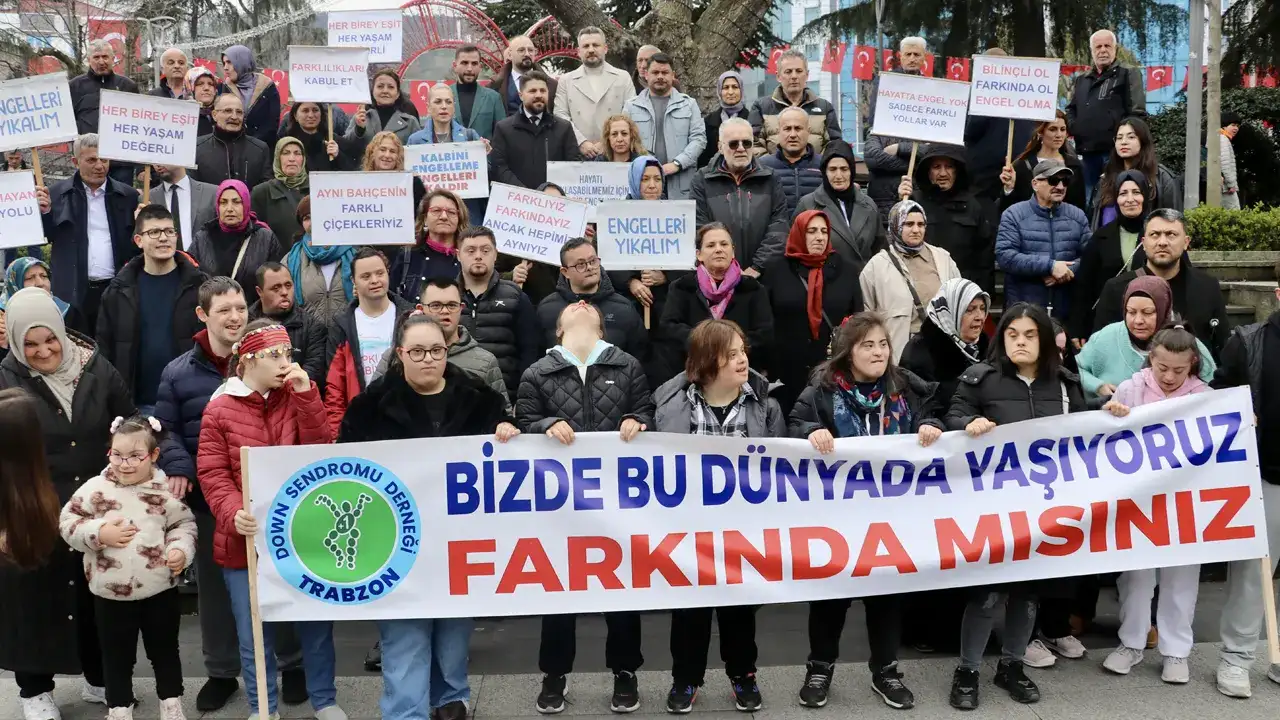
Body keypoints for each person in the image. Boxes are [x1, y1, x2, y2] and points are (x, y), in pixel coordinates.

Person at [341, 314, 518, 720]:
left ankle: (450, 703)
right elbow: (347, 469)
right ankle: (406, 713)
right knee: (405, 640)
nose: (427, 359)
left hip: (460, 544)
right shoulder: (369, 409)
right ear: (400, 354)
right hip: (395, 546)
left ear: (448, 351)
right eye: (417, 351)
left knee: (453, 637)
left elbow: (509, 467)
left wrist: (510, 433)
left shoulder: (481, 401)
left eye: (436, 350)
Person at [153, 278, 309, 712]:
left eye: (240, 307)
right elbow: (163, 429)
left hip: (277, 509)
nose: (235, 316)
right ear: (204, 315)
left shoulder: (273, 360)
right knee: (222, 598)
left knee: (284, 586)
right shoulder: (179, 371)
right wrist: (181, 468)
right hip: (213, 499)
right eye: (224, 310)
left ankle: (292, 665)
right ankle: (222, 673)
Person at [791, 312, 942, 711]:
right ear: (847, 351)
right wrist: (810, 432)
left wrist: (929, 423)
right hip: (837, 516)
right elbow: (793, 426)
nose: (878, 352)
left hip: (892, 513)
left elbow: (935, 409)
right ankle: (820, 668)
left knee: (886, 596)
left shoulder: (905, 387)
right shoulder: (822, 391)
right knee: (830, 595)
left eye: (882, 344)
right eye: (867, 345)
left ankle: (886, 672)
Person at [943, 303, 1089, 710]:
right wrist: (966, 424)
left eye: (1029, 335)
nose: (1020, 342)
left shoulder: (1063, 383)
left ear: (1044, 340)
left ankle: (1012, 665)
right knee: (986, 594)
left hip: (1042, 508)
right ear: (1001, 339)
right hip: (992, 506)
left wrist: (1111, 417)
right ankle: (968, 670)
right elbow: (951, 416)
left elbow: (1085, 431)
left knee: (1028, 593)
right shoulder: (981, 380)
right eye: (1012, 335)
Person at [197, 320, 345, 720]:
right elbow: (212, 474)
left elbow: (319, 452)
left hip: (303, 534)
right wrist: (232, 513)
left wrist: (306, 397)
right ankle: (263, 706)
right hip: (245, 539)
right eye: (274, 355)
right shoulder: (218, 409)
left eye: (288, 354)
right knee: (253, 631)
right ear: (247, 361)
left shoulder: (295, 395)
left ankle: (325, 700)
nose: (285, 363)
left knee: (315, 622)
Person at [0, 287, 135, 720]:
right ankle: (35, 689)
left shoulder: (97, 369)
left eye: (49, 339)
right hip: (29, 509)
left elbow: (127, 424)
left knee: (95, 597)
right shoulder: (5, 379)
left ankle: (100, 679)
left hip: (93, 508)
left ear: (61, 330)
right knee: (33, 600)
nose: (42, 351)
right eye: (30, 344)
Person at [516, 301, 654, 715]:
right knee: (560, 594)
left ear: (601, 326)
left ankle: (625, 672)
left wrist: (636, 419)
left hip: (616, 501)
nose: (579, 304)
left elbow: (646, 409)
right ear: (559, 329)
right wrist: (543, 426)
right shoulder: (537, 373)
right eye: (572, 306)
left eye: (588, 305)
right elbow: (523, 419)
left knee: (622, 592)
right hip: (562, 506)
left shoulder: (626, 365)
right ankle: (554, 675)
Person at [654, 319, 783, 713]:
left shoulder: (765, 406)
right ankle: (685, 678)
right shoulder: (670, 405)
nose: (743, 360)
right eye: (731, 354)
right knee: (689, 610)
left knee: (739, 609)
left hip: (743, 529)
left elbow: (781, 466)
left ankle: (743, 675)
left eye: (743, 351)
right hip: (688, 529)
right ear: (708, 361)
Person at [59, 413, 197, 720]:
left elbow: (183, 524)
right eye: (117, 455)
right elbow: (68, 521)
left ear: (154, 455)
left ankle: (171, 703)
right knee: (116, 655)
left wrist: (180, 550)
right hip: (108, 593)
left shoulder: (166, 490)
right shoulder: (94, 489)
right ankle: (119, 706)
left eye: (135, 456)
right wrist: (97, 533)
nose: (125, 464)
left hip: (159, 588)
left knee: (164, 650)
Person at [1099, 322, 1211, 684]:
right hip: (1141, 501)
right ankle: (1130, 642)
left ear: (1192, 364)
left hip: (1184, 501)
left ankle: (1176, 650)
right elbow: (1109, 434)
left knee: (1182, 576)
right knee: (1136, 575)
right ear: (1151, 359)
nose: (1169, 376)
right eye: (1162, 368)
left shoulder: (1204, 395)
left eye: (1179, 370)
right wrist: (1111, 411)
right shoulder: (1132, 387)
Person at [1213, 262, 1280, 698]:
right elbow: (1216, 397)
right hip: (1265, 478)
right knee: (1253, 576)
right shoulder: (1248, 341)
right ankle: (1236, 658)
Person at [96, 205, 206, 414]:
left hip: (189, 404)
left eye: (169, 231)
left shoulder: (200, 286)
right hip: (136, 405)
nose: (163, 238)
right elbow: (105, 352)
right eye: (154, 232)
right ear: (138, 240)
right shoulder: (118, 292)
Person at [762, 210, 862, 415]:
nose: (820, 237)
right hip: (786, 370)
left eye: (824, 231)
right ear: (799, 233)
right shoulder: (776, 270)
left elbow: (857, 319)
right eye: (812, 231)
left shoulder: (847, 271)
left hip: (833, 371)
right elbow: (765, 321)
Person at [1091, 209, 1229, 358]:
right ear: (1143, 243)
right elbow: (1101, 349)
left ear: (1186, 242)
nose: (1162, 242)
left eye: (1171, 234)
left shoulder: (1207, 286)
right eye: (1155, 235)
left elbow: (1222, 345)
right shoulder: (1116, 288)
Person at [38, 133, 139, 332]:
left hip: (116, 289)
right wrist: (45, 213)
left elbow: (136, 245)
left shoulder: (128, 196)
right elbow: (47, 237)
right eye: (92, 160)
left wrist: (144, 220)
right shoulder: (55, 194)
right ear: (75, 161)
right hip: (73, 292)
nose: (100, 166)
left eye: (104, 159)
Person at [608, 156, 686, 381]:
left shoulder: (676, 215)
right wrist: (631, 282)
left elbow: (689, 262)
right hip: (629, 308)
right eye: (644, 179)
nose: (652, 185)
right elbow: (607, 259)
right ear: (634, 181)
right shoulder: (616, 214)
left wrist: (666, 276)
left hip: (665, 309)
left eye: (657, 179)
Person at [324, 248, 416, 437]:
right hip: (362, 425)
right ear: (353, 281)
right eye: (366, 276)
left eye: (379, 273)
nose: (374, 280)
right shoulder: (342, 325)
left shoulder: (411, 317)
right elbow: (335, 389)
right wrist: (337, 436)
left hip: (408, 423)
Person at [662, 223, 772, 375]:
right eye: (711, 245)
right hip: (694, 372)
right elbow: (669, 327)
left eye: (724, 244)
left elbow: (764, 333)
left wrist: (730, 349)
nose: (718, 249)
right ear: (699, 254)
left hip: (741, 373)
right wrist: (706, 343)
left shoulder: (753, 288)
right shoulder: (681, 287)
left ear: (733, 251)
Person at [860, 200, 962, 362]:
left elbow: (960, 303)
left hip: (940, 351)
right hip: (898, 352)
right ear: (896, 225)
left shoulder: (943, 259)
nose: (916, 230)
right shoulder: (876, 266)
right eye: (909, 224)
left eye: (921, 224)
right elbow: (865, 317)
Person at [376, 278, 508, 402]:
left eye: (452, 305)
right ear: (420, 309)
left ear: (461, 308)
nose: (445, 311)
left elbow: (502, 417)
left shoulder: (484, 362)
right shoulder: (395, 356)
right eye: (436, 305)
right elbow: (369, 411)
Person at [689, 117, 789, 275]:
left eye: (747, 143)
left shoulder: (771, 179)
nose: (741, 148)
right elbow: (700, 229)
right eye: (734, 143)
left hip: (763, 278)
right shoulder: (701, 180)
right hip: (717, 277)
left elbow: (779, 228)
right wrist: (728, 272)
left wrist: (756, 268)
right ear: (720, 147)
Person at [995, 160, 1092, 321]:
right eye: (1053, 180)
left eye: (1065, 181)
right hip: (1023, 312)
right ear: (1035, 184)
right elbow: (1005, 256)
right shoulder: (1013, 214)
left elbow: (1091, 256)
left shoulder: (1077, 215)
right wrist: (1050, 266)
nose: (1060, 186)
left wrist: (1068, 271)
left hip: (1066, 311)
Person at [899, 144, 996, 294]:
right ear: (928, 171)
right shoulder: (914, 202)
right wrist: (900, 203)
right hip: (922, 289)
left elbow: (984, 256)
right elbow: (899, 242)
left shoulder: (973, 206)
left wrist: (981, 294)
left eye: (949, 166)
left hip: (962, 289)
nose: (943, 173)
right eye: (937, 167)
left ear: (957, 171)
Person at [456, 226, 540, 397]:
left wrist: (523, 398)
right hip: (455, 399)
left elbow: (530, 352)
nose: (478, 255)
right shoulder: (447, 296)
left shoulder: (516, 296)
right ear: (458, 255)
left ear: (495, 254)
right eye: (470, 250)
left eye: (485, 250)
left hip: (504, 398)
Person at [1065, 29, 1147, 203]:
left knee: (1115, 198)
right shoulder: (1082, 79)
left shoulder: (1128, 73)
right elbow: (1071, 109)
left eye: (1107, 46)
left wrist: (1126, 141)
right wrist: (1075, 127)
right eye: (1098, 47)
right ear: (1092, 51)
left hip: (1115, 152)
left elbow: (1137, 113)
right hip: (1087, 152)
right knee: (1089, 200)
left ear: (1115, 49)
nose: (1103, 50)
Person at [536, 238, 648, 361]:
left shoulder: (624, 308)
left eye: (593, 261)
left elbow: (640, 359)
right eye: (581, 265)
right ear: (565, 272)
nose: (590, 267)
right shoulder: (547, 309)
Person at [1068, 170, 1149, 339]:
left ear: (1146, 196)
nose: (1129, 199)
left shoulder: (1158, 233)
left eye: (1136, 192)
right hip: (1108, 322)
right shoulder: (1101, 237)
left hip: (1149, 320)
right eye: (1123, 193)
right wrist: (1078, 327)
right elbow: (1085, 286)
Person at [795, 140, 883, 278]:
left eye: (844, 169)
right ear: (824, 172)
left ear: (851, 171)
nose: (838, 176)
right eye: (832, 169)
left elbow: (880, 250)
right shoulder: (808, 204)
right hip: (825, 285)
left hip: (864, 284)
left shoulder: (869, 206)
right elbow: (795, 249)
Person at [623, 53, 705, 199]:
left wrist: (677, 164)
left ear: (672, 75)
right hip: (644, 183)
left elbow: (699, 140)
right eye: (655, 72)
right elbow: (628, 142)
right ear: (646, 75)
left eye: (665, 72)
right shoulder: (631, 107)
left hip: (681, 182)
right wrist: (648, 167)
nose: (660, 76)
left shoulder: (689, 104)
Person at [188, 179, 283, 307]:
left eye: (236, 202)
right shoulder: (203, 238)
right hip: (214, 318)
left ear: (246, 204)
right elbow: (190, 280)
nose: (229, 209)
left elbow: (276, 282)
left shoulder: (264, 238)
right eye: (223, 203)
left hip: (253, 319)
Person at [899, 278, 990, 407]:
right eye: (970, 309)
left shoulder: (988, 348)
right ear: (949, 312)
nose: (980, 317)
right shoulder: (920, 352)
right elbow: (919, 408)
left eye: (982, 308)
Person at [963, 49, 1036, 201]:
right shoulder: (1028, 94)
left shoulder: (980, 94)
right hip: (1016, 165)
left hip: (989, 170)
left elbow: (970, 131)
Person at [405, 86, 487, 220]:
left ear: (453, 107)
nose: (444, 106)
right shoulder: (415, 140)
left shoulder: (470, 136)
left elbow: (485, 175)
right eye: (438, 102)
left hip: (465, 213)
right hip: (432, 214)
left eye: (448, 102)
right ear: (428, 107)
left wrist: (485, 156)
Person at [491, 70, 581, 190]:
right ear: (521, 95)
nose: (538, 95)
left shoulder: (563, 127)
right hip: (517, 201)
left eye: (543, 91)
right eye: (532, 91)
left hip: (554, 200)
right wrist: (525, 193)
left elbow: (573, 166)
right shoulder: (504, 128)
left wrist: (553, 190)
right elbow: (499, 167)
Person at [555, 26, 636, 157]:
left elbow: (630, 112)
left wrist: (608, 141)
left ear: (605, 48)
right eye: (586, 46)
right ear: (578, 51)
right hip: (578, 152)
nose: (591, 50)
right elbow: (560, 115)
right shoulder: (566, 80)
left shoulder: (623, 77)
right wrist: (581, 142)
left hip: (615, 152)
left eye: (596, 45)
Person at [747, 49, 840, 157]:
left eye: (799, 71)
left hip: (814, 172)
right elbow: (753, 144)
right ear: (778, 76)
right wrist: (772, 166)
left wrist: (817, 165)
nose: (794, 76)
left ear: (807, 75)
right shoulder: (761, 107)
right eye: (788, 72)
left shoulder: (824, 107)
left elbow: (834, 145)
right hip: (773, 172)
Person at [1092, 117, 1182, 228]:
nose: (1123, 142)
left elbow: (1174, 222)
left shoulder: (1162, 179)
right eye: (1119, 138)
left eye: (1131, 137)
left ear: (1143, 141)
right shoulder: (1105, 179)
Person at [284, 196, 355, 328]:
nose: (313, 222)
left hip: (347, 335)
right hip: (308, 338)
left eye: (318, 215)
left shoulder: (355, 253)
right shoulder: (291, 259)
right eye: (307, 218)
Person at [250, 262, 327, 385]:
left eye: (288, 285)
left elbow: (313, 373)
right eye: (276, 288)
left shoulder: (313, 327)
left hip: (295, 397)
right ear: (260, 291)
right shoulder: (246, 323)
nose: (284, 292)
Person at [998, 111, 1087, 214]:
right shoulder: (1022, 165)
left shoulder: (1074, 165)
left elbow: (1080, 207)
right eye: (1053, 129)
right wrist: (1009, 188)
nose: (1059, 135)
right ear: (1040, 132)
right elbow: (1007, 210)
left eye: (1062, 129)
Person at [391, 189, 466, 303]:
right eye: (436, 211)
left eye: (451, 212)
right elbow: (391, 296)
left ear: (459, 219)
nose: (444, 217)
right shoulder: (408, 254)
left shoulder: (468, 257)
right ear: (425, 218)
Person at [191, 93, 271, 189]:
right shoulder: (196, 147)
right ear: (214, 115)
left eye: (239, 112)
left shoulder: (260, 149)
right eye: (228, 111)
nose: (234, 117)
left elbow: (266, 191)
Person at [758, 106, 823, 215]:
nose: (793, 135)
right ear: (778, 131)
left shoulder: (824, 165)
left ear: (808, 131)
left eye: (798, 128)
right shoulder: (763, 166)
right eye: (787, 129)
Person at [249, 137, 309, 251]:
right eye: (286, 153)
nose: (292, 159)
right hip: (277, 263)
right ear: (277, 158)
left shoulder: (317, 188)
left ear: (303, 158)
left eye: (297, 153)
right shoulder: (262, 192)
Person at [5, 256, 88, 335]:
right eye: (30, 278)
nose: (40, 283)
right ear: (14, 285)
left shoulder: (69, 313)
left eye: (44, 276)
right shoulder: (5, 319)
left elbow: (87, 348)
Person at [221, 44, 281, 150]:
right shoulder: (224, 88)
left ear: (242, 62)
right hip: (231, 150)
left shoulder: (267, 87)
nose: (225, 68)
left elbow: (272, 124)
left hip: (262, 151)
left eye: (229, 62)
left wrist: (252, 144)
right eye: (224, 63)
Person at [487, 34, 559, 116]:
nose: (527, 54)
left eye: (531, 50)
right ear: (510, 55)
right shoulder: (495, 86)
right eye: (521, 50)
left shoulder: (552, 85)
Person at [348, 69, 422, 148]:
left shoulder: (411, 122)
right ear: (373, 91)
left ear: (397, 94)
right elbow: (347, 146)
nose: (385, 91)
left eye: (390, 87)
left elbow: (418, 152)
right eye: (380, 86)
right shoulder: (362, 117)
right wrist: (359, 129)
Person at [151, 164, 217, 252]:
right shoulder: (148, 198)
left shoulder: (212, 193)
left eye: (163, 155)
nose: (157, 164)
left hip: (203, 262)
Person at [361, 131, 429, 212]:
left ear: (398, 156)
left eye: (392, 151)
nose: (387, 155)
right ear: (372, 153)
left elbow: (422, 216)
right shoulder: (359, 184)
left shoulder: (412, 184)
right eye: (382, 150)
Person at [866, 36, 927, 125]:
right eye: (908, 54)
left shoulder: (929, 85)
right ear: (900, 56)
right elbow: (874, 116)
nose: (912, 59)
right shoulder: (885, 81)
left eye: (917, 54)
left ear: (924, 57)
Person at [281, 102, 355, 173]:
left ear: (321, 114)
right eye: (305, 111)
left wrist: (338, 156)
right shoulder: (286, 142)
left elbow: (351, 171)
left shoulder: (334, 141)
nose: (311, 115)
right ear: (295, 116)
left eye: (315, 110)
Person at [452, 45, 506, 140]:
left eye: (474, 63)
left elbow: (502, 136)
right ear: (455, 66)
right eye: (464, 63)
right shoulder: (443, 97)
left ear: (480, 67)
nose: (469, 68)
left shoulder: (493, 98)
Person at [700, 71, 749, 170]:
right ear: (719, 91)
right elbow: (703, 159)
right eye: (726, 87)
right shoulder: (708, 122)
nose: (730, 92)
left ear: (741, 90)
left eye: (735, 87)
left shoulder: (752, 119)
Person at [185, 66, 218, 137]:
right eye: (200, 84)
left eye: (210, 84)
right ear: (190, 88)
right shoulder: (182, 117)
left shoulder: (223, 113)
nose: (206, 88)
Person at [1220, 111, 1242, 210]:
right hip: (1226, 188)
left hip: (1223, 186)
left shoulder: (1220, 138)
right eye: (1232, 125)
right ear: (1224, 126)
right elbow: (1225, 164)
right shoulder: (1223, 139)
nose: (1236, 128)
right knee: (1235, 213)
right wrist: (1231, 185)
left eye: (1237, 126)